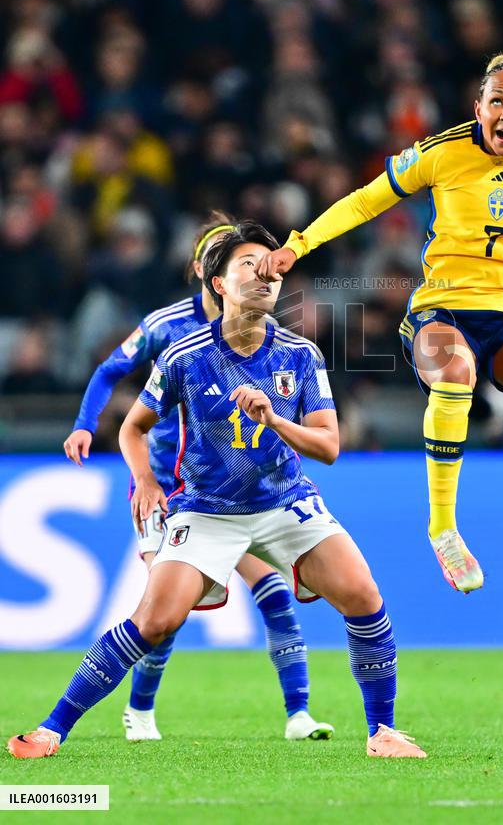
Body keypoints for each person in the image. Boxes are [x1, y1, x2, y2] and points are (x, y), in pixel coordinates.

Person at [8, 222, 426, 760]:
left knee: (365, 597)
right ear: (218, 284)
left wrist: (276, 420)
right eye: (247, 266)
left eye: (271, 266)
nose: (265, 275)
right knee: (155, 622)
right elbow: (132, 427)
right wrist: (145, 479)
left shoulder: (301, 354)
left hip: (285, 502)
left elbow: (328, 446)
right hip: (206, 509)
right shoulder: (183, 355)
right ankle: (52, 728)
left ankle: (381, 732)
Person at [255, 53, 503, 594]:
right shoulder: (440, 151)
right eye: (498, 101)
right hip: (445, 307)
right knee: (454, 372)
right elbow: (366, 201)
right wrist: (300, 244)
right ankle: (443, 528)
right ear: (478, 106)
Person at [62, 212, 332, 743]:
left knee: (274, 589)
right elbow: (112, 371)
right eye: (236, 262)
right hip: (166, 485)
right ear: (205, 271)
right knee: (165, 615)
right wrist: (85, 426)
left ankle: (298, 713)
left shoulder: (270, 334)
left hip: (237, 489)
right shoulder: (167, 328)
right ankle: (140, 709)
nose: (255, 273)